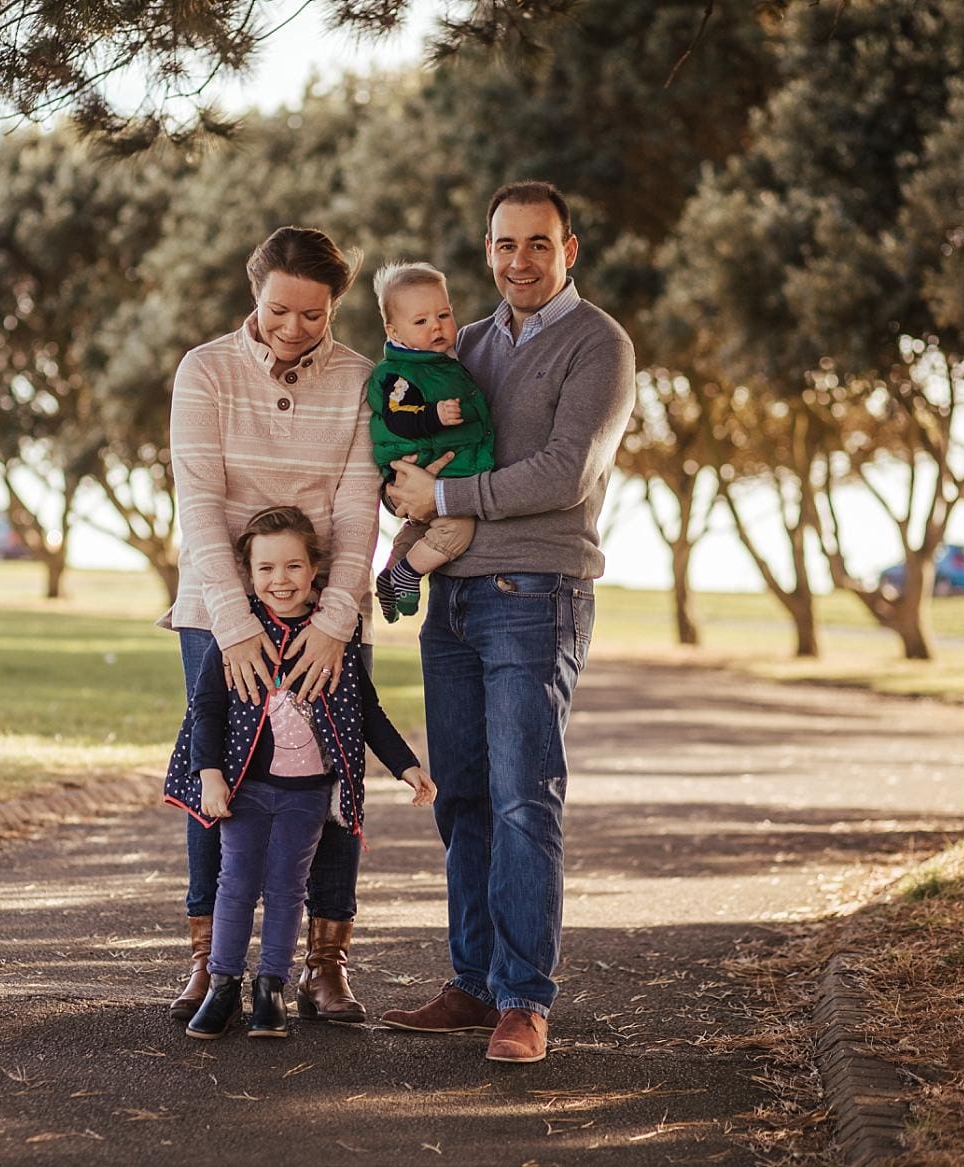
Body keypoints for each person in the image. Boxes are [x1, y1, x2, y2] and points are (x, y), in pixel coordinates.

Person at [379, 182, 636, 1064]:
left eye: (537, 243)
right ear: (485, 249)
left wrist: (444, 497)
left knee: (527, 797)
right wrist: (400, 500)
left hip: (537, 594)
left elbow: (565, 472)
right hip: (449, 597)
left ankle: (525, 998)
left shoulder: (599, 344)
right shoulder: (467, 342)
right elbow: (414, 453)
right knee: (464, 795)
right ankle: (473, 982)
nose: (518, 261)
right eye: (502, 245)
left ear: (572, 248)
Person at [160, 226, 385, 1024]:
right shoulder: (205, 370)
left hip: (326, 613)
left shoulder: (363, 379)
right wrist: (235, 625)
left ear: (335, 308)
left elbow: (358, 515)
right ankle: (206, 963)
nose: (294, 329)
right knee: (218, 782)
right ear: (254, 295)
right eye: (279, 311)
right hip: (219, 611)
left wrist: (334, 621)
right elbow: (198, 504)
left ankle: (326, 965)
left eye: (314, 316)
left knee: (326, 782)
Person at [164, 507, 435, 1039]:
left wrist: (406, 766)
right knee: (236, 885)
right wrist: (211, 776)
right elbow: (207, 710)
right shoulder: (235, 632)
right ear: (249, 574)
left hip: (308, 795)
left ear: (316, 571)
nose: (279, 580)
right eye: (266, 569)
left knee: (289, 889)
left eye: (292, 567)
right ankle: (222, 986)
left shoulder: (337, 635)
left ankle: (271, 990)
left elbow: (367, 712)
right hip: (247, 787)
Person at [365, 261, 494, 623]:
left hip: (439, 471)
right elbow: (397, 417)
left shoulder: (442, 363)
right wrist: (433, 416)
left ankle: (392, 572)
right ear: (394, 330)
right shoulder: (399, 373)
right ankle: (409, 574)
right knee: (457, 529)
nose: (436, 326)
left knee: (419, 529)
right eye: (421, 321)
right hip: (425, 467)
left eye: (443, 314)